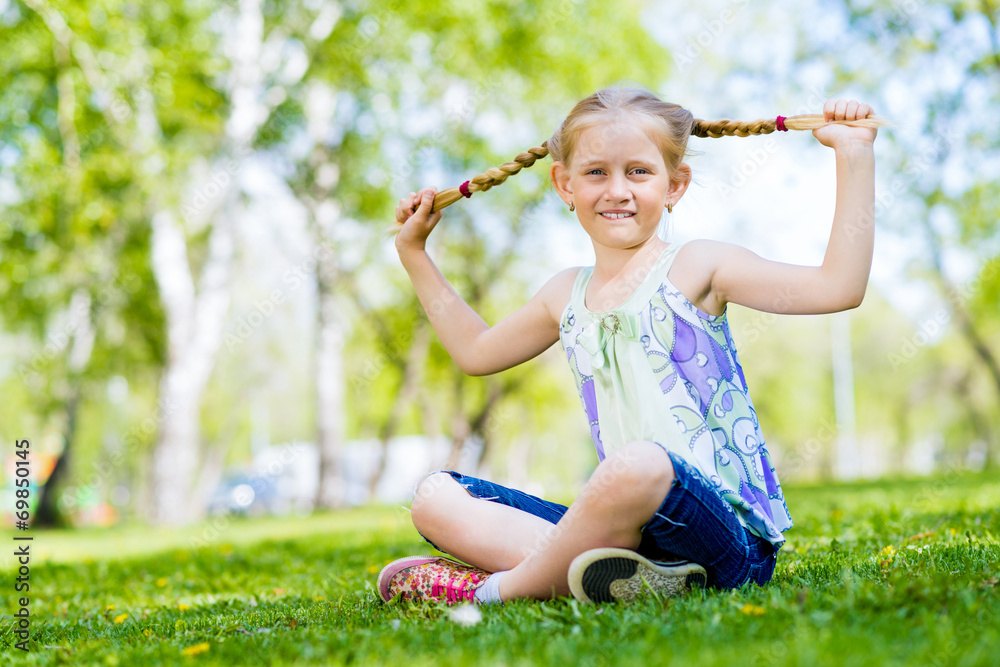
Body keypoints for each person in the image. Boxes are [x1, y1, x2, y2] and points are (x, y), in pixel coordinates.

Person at [377, 85, 880, 606]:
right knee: (436, 498)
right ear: (564, 184)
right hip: (627, 534)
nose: (617, 190)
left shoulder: (697, 266)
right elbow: (476, 352)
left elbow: (837, 288)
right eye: (596, 172)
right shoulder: (564, 294)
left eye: (638, 172)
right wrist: (414, 253)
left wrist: (854, 154)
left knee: (639, 464)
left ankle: (493, 592)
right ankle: (630, 580)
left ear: (674, 186)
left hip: (725, 541)